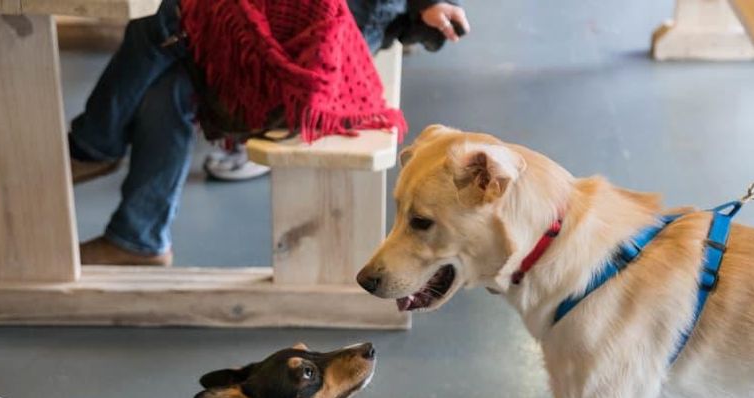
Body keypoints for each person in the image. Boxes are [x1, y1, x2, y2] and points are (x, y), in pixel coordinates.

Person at [69, 0, 469, 266]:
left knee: (166, 21)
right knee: (170, 86)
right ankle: (136, 235)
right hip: (307, 16)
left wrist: (432, 2)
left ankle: (93, 146)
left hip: (327, 37)